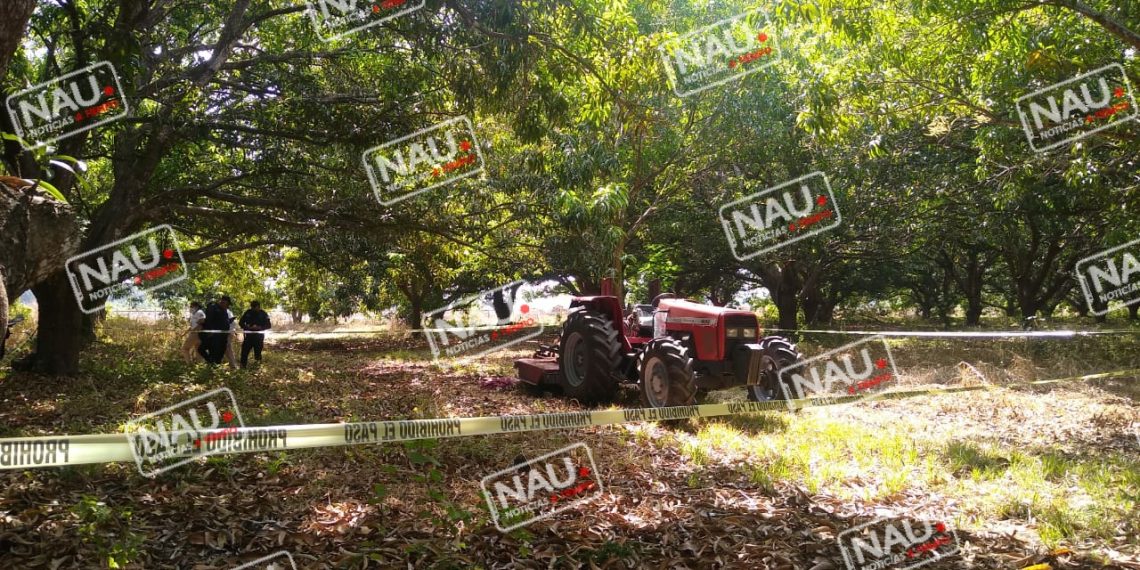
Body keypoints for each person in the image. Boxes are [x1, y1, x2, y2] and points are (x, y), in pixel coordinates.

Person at [197, 296, 231, 365]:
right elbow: (209, 320)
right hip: (213, 336)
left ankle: (213, 365)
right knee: (204, 350)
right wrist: (210, 331)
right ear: (223, 302)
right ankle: (211, 363)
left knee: (219, 354)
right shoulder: (213, 307)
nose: (227, 306)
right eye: (227, 304)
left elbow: (223, 322)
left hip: (222, 336)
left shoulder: (224, 310)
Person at [239, 301, 272, 368]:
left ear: (259, 307)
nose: (253, 309)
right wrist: (247, 327)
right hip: (248, 337)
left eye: (255, 307)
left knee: (258, 353)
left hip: (259, 337)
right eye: (252, 307)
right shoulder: (248, 312)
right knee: (244, 352)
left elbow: (269, 325)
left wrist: (260, 327)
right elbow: (241, 323)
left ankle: (257, 367)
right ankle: (242, 367)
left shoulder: (263, 313)